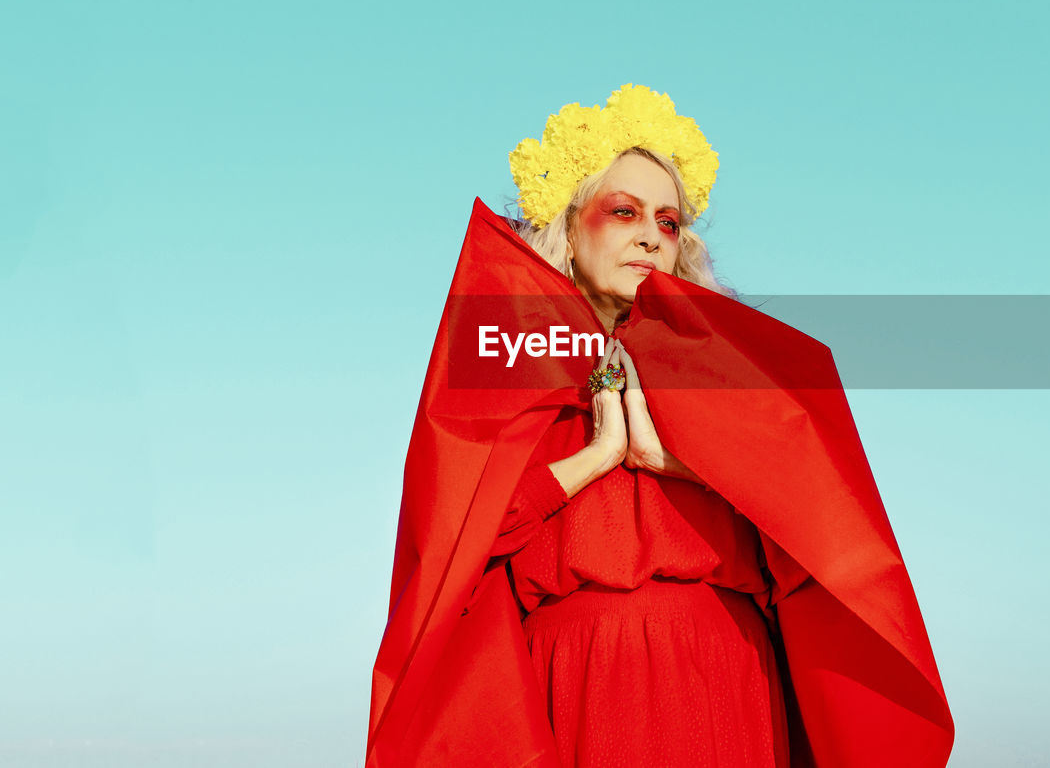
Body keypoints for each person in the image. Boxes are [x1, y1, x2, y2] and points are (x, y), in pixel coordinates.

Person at [365, 85, 954, 767]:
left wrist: (675, 459)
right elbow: (448, 559)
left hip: (726, 686)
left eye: (669, 222)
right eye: (624, 211)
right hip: (575, 696)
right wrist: (596, 455)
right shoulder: (510, 382)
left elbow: (821, 541)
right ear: (568, 225)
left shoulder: (734, 381)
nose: (650, 234)